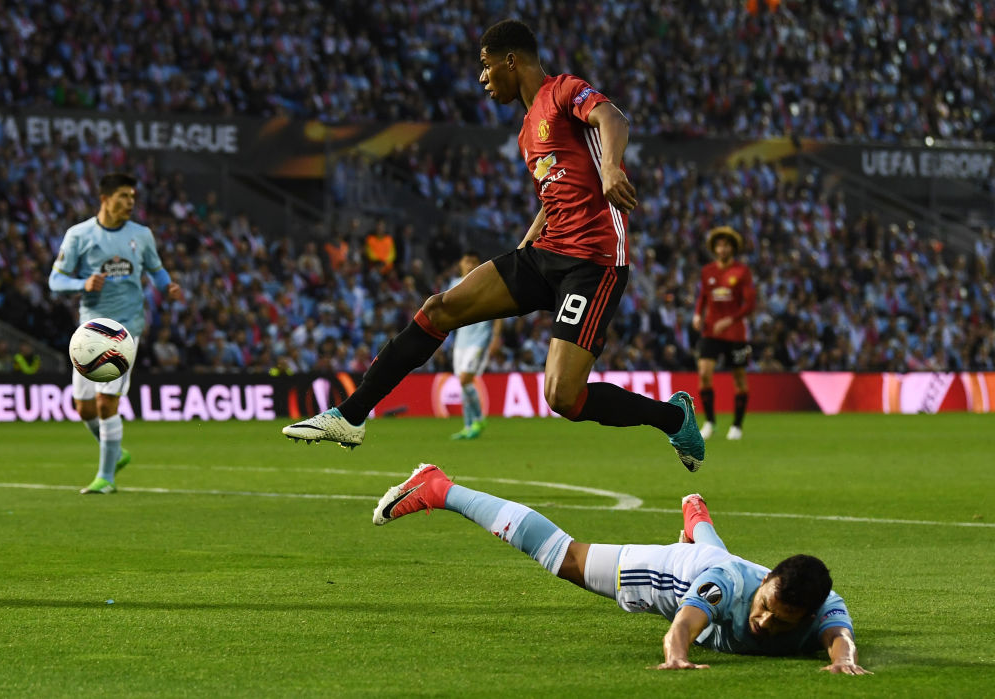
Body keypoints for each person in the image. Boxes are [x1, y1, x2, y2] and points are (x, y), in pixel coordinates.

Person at [283, 19, 705, 471]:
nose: (483, 78)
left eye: (486, 66)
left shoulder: (563, 90)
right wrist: (526, 244)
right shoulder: (526, 132)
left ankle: (673, 417)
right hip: (545, 254)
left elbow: (612, 117)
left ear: (511, 60)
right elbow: (554, 196)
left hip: (593, 261)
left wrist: (611, 169)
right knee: (440, 308)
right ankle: (350, 416)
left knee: (562, 396)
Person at [373, 463, 870, 674]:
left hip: (717, 563)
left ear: (806, 615)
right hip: (676, 574)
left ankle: (696, 518)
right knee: (565, 556)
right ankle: (440, 488)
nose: (764, 621)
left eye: (780, 620)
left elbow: (840, 636)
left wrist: (844, 660)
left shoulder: (820, 606)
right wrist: (676, 655)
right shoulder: (725, 588)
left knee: (716, 555)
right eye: (764, 607)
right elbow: (684, 624)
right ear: (765, 583)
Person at [49, 172, 182, 494]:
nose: (130, 202)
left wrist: (167, 286)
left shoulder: (142, 235)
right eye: (123, 196)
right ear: (105, 199)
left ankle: (105, 478)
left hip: (125, 329)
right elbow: (55, 280)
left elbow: (156, 270)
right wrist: (82, 283)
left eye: (132, 197)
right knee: (84, 408)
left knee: (106, 402)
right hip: (90, 330)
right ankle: (116, 451)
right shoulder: (79, 235)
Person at [692, 226, 755, 441]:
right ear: (714, 248)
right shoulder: (707, 271)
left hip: (735, 334)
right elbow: (703, 296)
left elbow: (750, 304)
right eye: (719, 245)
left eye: (726, 245)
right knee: (704, 373)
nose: (722, 249)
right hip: (711, 330)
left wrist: (730, 319)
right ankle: (710, 422)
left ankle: (737, 425)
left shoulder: (742, 272)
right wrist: (697, 314)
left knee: (739, 378)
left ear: (732, 248)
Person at [447, 251, 503, 440]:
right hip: (461, 341)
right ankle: (468, 425)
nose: (470, 265)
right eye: (467, 261)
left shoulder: (486, 283)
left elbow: (499, 312)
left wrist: (496, 337)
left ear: (480, 264)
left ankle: (479, 419)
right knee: (464, 384)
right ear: (460, 264)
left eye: (474, 262)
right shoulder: (454, 284)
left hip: (480, 339)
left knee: (465, 379)